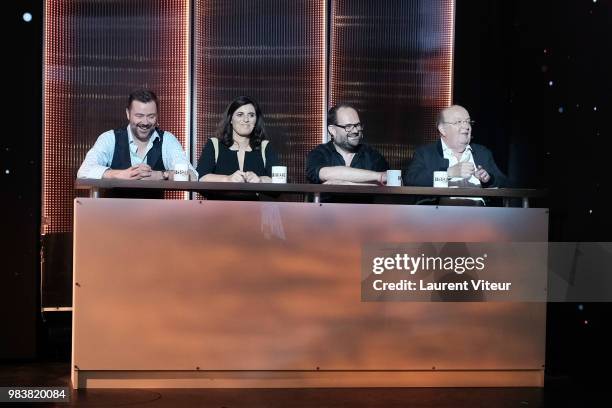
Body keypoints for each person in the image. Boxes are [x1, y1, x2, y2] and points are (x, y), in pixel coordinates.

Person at [77, 89, 196, 181]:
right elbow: (84, 171)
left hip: (156, 212)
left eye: (151, 116)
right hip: (113, 211)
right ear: (128, 114)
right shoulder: (109, 138)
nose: (145, 122)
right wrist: (120, 174)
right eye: (139, 116)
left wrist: (162, 175)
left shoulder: (168, 140)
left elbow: (192, 175)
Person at [404, 104, 509, 188]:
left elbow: (504, 183)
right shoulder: (425, 153)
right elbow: (410, 180)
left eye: (468, 121)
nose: (466, 126)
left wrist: (489, 179)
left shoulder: (482, 152)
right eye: (458, 122)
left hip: (479, 212)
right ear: (442, 129)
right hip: (439, 212)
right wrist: (448, 173)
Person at [196, 96, 279, 183]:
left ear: (256, 120)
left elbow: (279, 180)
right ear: (230, 119)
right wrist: (227, 179)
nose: (246, 119)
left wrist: (260, 180)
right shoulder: (214, 144)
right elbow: (200, 176)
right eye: (240, 114)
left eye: (251, 115)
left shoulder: (265, 146)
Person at [306, 103, 389, 185]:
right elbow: (324, 174)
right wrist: (378, 177)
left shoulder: (372, 155)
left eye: (357, 125)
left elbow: (387, 182)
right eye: (348, 126)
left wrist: (346, 184)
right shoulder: (320, 153)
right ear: (332, 130)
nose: (355, 131)